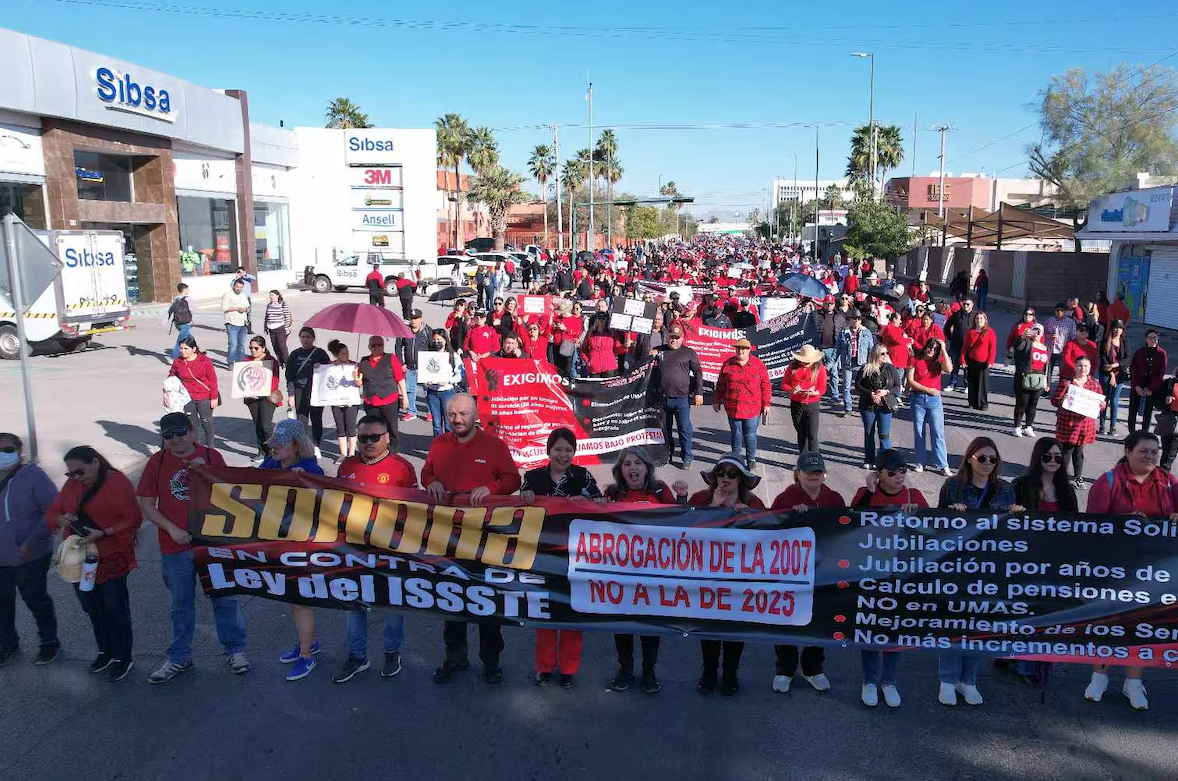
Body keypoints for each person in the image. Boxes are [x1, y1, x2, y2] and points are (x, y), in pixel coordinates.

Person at [137, 412, 248, 683]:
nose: (175, 439)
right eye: (168, 435)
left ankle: (235, 650)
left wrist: (207, 474)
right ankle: (179, 657)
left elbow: (234, 497)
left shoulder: (212, 458)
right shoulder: (158, 461)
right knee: (181, 603)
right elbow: (146, 503)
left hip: (213, 544)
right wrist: (171, 529)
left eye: (180, 433)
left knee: (224, 598)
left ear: (193, 433)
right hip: (174, 545)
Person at [422, 394, 522, 684]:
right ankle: (455, 658)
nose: (457, 420)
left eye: (463, 414)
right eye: (452, 414)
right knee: (451, 601)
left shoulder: (494, 445)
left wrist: (490, 487)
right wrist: (432, 482)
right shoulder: (440, 443)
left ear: (475, 414)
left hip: (484, 539)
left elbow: (512, 480)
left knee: (485, 602)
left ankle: (491, 662)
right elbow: (426, 472)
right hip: (446, 537)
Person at [1084, 430, 1178, 710]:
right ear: (1128, 451)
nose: (1150, 456)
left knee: (1142, 624)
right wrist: (1122, 520)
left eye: (1154, 451)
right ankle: (1099, 675)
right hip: (1114, 567)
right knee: (1108, 621)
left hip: (1153, 571)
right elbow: (1089, 527)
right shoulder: (1108, 482)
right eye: (1143, 451)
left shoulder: (1169, 482)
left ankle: (1133, 681)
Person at [936, 437, 1022, 706]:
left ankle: (968, 680)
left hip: (991, 566)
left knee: (980, 627)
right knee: (955, 624)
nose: (987, 463)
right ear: (970, 458)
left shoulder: (1005, 490)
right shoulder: (953, 486)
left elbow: (1013, 532)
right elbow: (935, 526)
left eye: (992, 459)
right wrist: (951, 514)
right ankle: (947, 680)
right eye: (981, 458)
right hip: (958, 565)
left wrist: (1017, 515)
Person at [332, 414, 417, 684]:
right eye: (363, 437)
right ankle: (357, 657)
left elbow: (416, 512)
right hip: (352, 549)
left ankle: (392, 652)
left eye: (374, 437)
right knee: (353, 605)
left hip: (391, 551)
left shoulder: (402, 468)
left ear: (387, 437)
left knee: (392, 605)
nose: (368, 442)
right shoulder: (346, 465)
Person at [46, 446, 141, 681]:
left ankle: (122, 656)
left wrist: (104, 532)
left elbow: (132, 518)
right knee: (91, 605)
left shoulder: (116, 482)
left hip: (110, 556)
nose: (76, 477)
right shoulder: (73, 484)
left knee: (115, 609)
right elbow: (55, 510)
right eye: (71, 474)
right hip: (81, 559)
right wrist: (61, 518)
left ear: (96, 462)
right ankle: (105, 651)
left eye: (80, 471)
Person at [520, 428, 603, 688]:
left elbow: (601, 503)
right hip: (542, 556)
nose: (563, 454)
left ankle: (569, 668)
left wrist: (588, 502)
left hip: (576, 556)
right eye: (558, 449)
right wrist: (525, 498)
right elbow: (518, 506)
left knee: (571, 614)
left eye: (569, 449)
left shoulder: (583, 476)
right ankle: (544, 668)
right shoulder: (532, 477)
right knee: (544, 613)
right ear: (548, 451)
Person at [603, 446, 688, 694]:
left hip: (653, 575)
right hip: (620, 574)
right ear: (620, 470)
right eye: (627, 464)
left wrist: (682, 498)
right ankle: (625, 669)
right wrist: (598, 504)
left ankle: (649, 670)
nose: (632, 468)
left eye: (638, 463)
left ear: (647, 467)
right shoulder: (611, 493)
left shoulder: (660, 490)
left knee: (650, 626)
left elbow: (682, 521)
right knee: (622, 624)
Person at [849, 449, 928, 707]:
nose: (898, 477)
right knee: (872, 627)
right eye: (891, 472)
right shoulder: (866, 495)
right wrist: (870, 491)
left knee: (896, 629)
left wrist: (917, 515)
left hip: (903, 574)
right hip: (872, 572)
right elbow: (852, 523)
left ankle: (889, 681)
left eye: (903, 471)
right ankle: (869, 681)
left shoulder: (913, 496)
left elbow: (932, 530)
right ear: (879, 474)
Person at [686, 455, 764, 696]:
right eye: (721, 473)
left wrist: (749, 517)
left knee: (734, 629)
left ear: (741, 479)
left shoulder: (755, 503)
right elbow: (681, 527)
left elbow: (771, 534)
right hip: (706, 576)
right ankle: (708, 672)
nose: (725, 478)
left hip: (740, 577)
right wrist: (711, 510)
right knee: (708, 629)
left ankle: (730, 674)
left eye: (732, 474)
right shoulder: (700, 499)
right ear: (714, 477)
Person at [256, 419, 326, 681]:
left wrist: (304, 481)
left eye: (279, 446)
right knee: (294, 600)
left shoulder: (310, 469)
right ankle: (309, 642)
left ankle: (307, 655)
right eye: (273, 444)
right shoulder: (272, 464)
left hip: (303, 544)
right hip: (279, 541)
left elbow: (325, 503)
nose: (273, 449)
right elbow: (246, 480)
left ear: (296, 446)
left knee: (300, 601)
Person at [769, 452, 843, 694]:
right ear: (798, 474)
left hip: (823, 571)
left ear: (824, 474)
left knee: (820, 620)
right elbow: (771, 529)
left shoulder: (834, 498)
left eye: (818, 471)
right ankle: (784, 669)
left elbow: (845, 530)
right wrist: (791, 514)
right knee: (787, 619)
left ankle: (813, 669)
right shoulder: (786, 497)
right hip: (791, 571)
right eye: (809, 471)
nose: (814, 476)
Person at [0, 432, 59, 668]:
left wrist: (30, 544)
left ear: (19, 452)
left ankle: (49, 643)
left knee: (36, 600)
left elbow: (53, 510)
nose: (2, 455)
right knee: (2, 604)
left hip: (29, 556)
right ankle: (8, 643)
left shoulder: (33, 476)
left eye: (7, 450)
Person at [715, 338, 772, 468]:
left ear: (749, 350)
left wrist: (767, 404)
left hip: (752, 408)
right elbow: (721, 385)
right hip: (732, 406)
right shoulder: (728, 364)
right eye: (738, 348)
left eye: (744, 348)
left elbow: (766, 385)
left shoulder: (758, 365)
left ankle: (751, 459)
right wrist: (717, 400)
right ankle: (735, 459)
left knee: (750, 434)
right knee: (736, 434)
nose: (741, 351)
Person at [652, 323, 703, 468]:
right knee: (665, 429)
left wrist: (699, 393)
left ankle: (687, 456)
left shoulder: (689, 352)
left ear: (682, 338)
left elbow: (698, 372)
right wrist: (651, 355)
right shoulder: (659, 351)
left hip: (682, 400)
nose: (673, 340)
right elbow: (645, 364)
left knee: (684, 429)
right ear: (667, 337)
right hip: (663, 398)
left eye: (677, 337)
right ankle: (667, 453)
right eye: (671, 337)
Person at [1052, 355, 1105, 489]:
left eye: (1086, 366)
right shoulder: (1067, 383)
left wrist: (1102, 404)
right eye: (1080, 366)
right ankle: (1061, 477)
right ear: (1075, 367)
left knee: (1079, 452)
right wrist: (1064, 397)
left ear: (1090, 368)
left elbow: (1101, 403)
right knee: (1067, 451)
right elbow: (1055, 401)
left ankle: (1078, 478)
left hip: (1084, 425)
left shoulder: (1094, 384)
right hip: (1068, 423)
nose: (1083, 369)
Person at [908, 338, 953, 476]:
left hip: (934, 401)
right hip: (918, 398)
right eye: (929, 347)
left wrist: (944, 349)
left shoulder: (938, 361)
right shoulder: (915, 358)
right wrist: (927, 390)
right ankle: (920, 462)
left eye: (934, 349)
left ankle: (943, 464)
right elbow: (911, 381)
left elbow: (949, 369)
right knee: (919, 431)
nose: (930, 351)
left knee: (938, 432)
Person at [356, 335, 410, 450]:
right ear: (369, 347)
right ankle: (377, 450)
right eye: (373, 345)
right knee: (374, 429)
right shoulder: (363, 361)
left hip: (389, 399)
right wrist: (357, 380)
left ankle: (392, 450)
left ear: (383, 346)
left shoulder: (391, 358)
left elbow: (400, 378)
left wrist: (405, 396)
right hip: (371, 401)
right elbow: (360, 381)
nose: (376, 348)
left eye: (379, 345)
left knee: (391, 428)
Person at [286, 327, 331, 457]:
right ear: (300, 338)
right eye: (303, 337)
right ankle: (304, 446)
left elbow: (329, 372)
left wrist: (321, 367)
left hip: (316, 392)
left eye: (308, 337)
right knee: (302, 420)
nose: (305, 340)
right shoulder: (294, 354)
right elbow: (289, 376)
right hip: (300, 390)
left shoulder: (320, 353)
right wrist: (290, 394)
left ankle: (316, 446)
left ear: (313, 338)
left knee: (316, 419)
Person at [857, 344, 901, 469]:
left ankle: (885, 461)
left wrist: (885, 392)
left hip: (885, 405)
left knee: (884, 434)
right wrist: (870, 393)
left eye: (887, 353)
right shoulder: (866, 368)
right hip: (868, 405)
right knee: (869, 433)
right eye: (883, 354)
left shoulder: (891, 368)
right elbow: (858, 385)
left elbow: (897, 386)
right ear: (876, 354)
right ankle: (869, 460)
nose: (886, 356)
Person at [169, 336, 219, 447]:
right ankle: (197, 448)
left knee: (206, 423)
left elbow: (213, 380)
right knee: (192, 425)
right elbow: (172, 375)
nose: (183, 351)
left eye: (186, 348)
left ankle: (211, 448)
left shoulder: (204, 361)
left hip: (204, 397)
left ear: (194, 349)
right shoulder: (178, 362)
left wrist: (214, 397)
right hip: (187, 398)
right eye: (181, 348)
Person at [1012, 437, 1078, 513]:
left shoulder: (1068, 490)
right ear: (1038, 458)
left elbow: (1075, 520)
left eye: (1058, 457)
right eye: (1047, 457)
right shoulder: (1021, 486)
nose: (1053, 461)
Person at [243, 335, 281, 461]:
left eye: (256, 348)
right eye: (251, 348)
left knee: (266, 426)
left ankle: (273, 451)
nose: (253, 350)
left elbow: (275, 380)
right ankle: (262, 451)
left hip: (267, 397)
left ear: (263, 348)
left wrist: (263, 391)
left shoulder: (271, 361)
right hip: (252, 397)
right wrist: (247, 391)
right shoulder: (247, 361)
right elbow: (242, 379)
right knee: (258, 425)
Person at [423, 329, 463, 437]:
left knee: (449, 423)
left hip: (447, 393)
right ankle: (439, 447)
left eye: (439, 340)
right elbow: (423, 373)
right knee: (436, 424)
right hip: (432, 393)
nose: (436, 342)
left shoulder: (453, 356)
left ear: (445, 340)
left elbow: (460, 375)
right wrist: (427, 380)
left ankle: (450, 447)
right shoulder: (428, 356)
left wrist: (448, 380)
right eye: (434, 340)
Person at [325, 339, 361, 459]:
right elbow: (324, 380)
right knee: (340, 429)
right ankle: (343, 454)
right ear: (336, 355)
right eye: (343, 353)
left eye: (347, 352)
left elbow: (360, 383)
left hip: (351, 401)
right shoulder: (330, 366)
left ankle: (351, 454)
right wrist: (319, 368)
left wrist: (356, 379)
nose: (347, 355)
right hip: (336, 401)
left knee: (351, 427)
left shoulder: (354, 365)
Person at [1011, 324, 1049, 438]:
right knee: (1022, 403)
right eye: (1035, 330)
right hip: (1025, 377)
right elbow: (1017, 347)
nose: (1037, 333)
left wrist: (1047, 381)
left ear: (1042, 334)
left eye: (1039, 331)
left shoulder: (1044, 347)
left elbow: (1047, 366)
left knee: (1033, 405)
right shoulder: (1026, 343)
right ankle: (1017, 427)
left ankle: (1028, 426)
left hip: (1039, 379)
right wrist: (1022, 337)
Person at [1129, 330, 1168, 433]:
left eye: (1155, 338)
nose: (1153, 340)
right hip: (1138, 385)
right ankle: (1131, 433)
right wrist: (1136, 386)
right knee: (1133, 410)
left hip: (1151, 387)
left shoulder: (1161, 353)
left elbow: (1160, 373)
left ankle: (1144, 433)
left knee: (1147, 411)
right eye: (1150, 337)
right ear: (1146, 339)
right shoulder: (1140, 352)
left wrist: (1149, 388)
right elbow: (1134, 370)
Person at [838, 311, 874, 416]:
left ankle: (862, 406)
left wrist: (871, 363)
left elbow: (871, 349)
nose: (856, 321)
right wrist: (830, 364)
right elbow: (837, 349)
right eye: (854, 318)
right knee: (846, 387)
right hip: (847, 363)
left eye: (858, 319)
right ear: (850, 320)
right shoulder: (844, 332)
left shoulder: (866, 332)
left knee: (862, 387)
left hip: (861, 363)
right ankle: (848, 408)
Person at [1097, 321, 1130, 436]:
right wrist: (1111, 373)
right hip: (1106, 374)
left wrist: (1116, 366)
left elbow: (1127, 358)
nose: (1117, 330)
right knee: (1104, 400)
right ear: (1112, 329)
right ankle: (1102, 425)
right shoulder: (1105, 341)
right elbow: (1103, 358)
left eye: (1120, 328)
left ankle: (1113, 426)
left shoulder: (1124, 342)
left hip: (1119, 374)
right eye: (1115, 328)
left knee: (1115, 401)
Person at [397, 309, 431, 421]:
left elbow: (433, 348)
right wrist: (401, 363)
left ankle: (430, 411)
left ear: (421, 319)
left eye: (416, 318)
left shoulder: (427, 331)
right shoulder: (403, 331)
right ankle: (411, 411)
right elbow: (398, 348)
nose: (414, 321)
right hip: (410, 367)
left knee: (428, 390)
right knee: (410, 390)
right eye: (412, 319)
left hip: (424, 367)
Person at [963, 311, 997, 411]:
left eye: (981, 319)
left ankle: (982, 403)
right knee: (972, 382)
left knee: (982, 384)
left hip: (984, 362)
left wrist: (990, 361)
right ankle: (972, 402)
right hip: (972, 360)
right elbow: (965, 347)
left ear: (985, 320)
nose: (979, 320)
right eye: (977, 318)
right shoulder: (971, 332)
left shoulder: (990, 332)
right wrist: (963, 360)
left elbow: (992, 348)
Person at [816, 296, 845, 407]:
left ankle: (835, 395)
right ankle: (817, 392)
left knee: (834, 373)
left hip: (833, 349)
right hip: (818, 348)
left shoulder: (839, 317)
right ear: (823, 304)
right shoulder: (817, 315)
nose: (829, 305)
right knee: (817, 373)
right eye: (827, 303)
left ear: (834, 304)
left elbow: (844, 331)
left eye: (831, 303)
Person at [943, 297, 974, 392]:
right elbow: (947, 326)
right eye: (964, 304)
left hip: (969, 345)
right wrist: (950, 337)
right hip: (956, 343)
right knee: (955, 364)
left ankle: (968, 385)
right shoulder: (957, 315)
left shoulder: (975, 316)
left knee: (967, 366)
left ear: (972, 305)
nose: (965, 306)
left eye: (968, 304)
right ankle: (952, 383)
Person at [1042, 303, 1077, 385]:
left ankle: (1061, 389)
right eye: (1058, 310)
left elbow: (1073, 337)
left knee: (1063, 372)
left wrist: (1072, 349)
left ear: (1065, 311)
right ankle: (1046, 388)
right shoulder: (1049, 321)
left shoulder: (1070, 322)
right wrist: (1049, 336)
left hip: (1063, 350)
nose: (1059, 312)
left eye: (1062, 310)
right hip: (1050, 349)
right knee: (1047, 370)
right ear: (1055, 311)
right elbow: (1042, 334)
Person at [581, 313, 622, 377]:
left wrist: (625, 346)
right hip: (594, 367)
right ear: (596, 320)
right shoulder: (590, 333)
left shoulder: (612, 333)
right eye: (599, 318)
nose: (601, 320)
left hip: (609, 367)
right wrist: (588, 362)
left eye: (603, 318)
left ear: (607, 320)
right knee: (594, 387)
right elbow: (583, 350)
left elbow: (618, 349)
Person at [221, 278, 251, 366]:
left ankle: (240, 363)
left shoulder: (243, 295)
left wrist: (246, 309)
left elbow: (248, 307)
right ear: (234, 286)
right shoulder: (227, 295)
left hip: (243, 323)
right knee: (233, 344)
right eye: (237, 287)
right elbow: (224, 308)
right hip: (232, 323)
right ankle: (231, 362)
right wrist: (237, 309)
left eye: (241, 287)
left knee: (241, 345)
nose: (239, 289)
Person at [263, 290, 293, 368]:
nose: (271, 297)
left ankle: (287, 362)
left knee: (282, 346)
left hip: (280, 328)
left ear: (277, 296)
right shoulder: (269, 305)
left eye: (273, 295)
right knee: (275, 346)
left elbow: (287, 317)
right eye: (270, 295)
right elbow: (266, 316)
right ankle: (280, 362)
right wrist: (265, 327)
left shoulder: (283, 305)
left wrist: (286, 327)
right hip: (271, 328)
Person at [168, 282, 194, 360]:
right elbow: (192, 310)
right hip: (186, 322)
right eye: (187, 288)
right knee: (180, 341)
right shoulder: (188, 299)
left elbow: (170, 310)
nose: (188, 290)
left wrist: (165, 321)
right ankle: (173, 357)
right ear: (184, 289)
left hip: (177, 323)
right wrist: (191, 321)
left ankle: (196, 351)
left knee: (190, 337)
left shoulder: (175, 299)